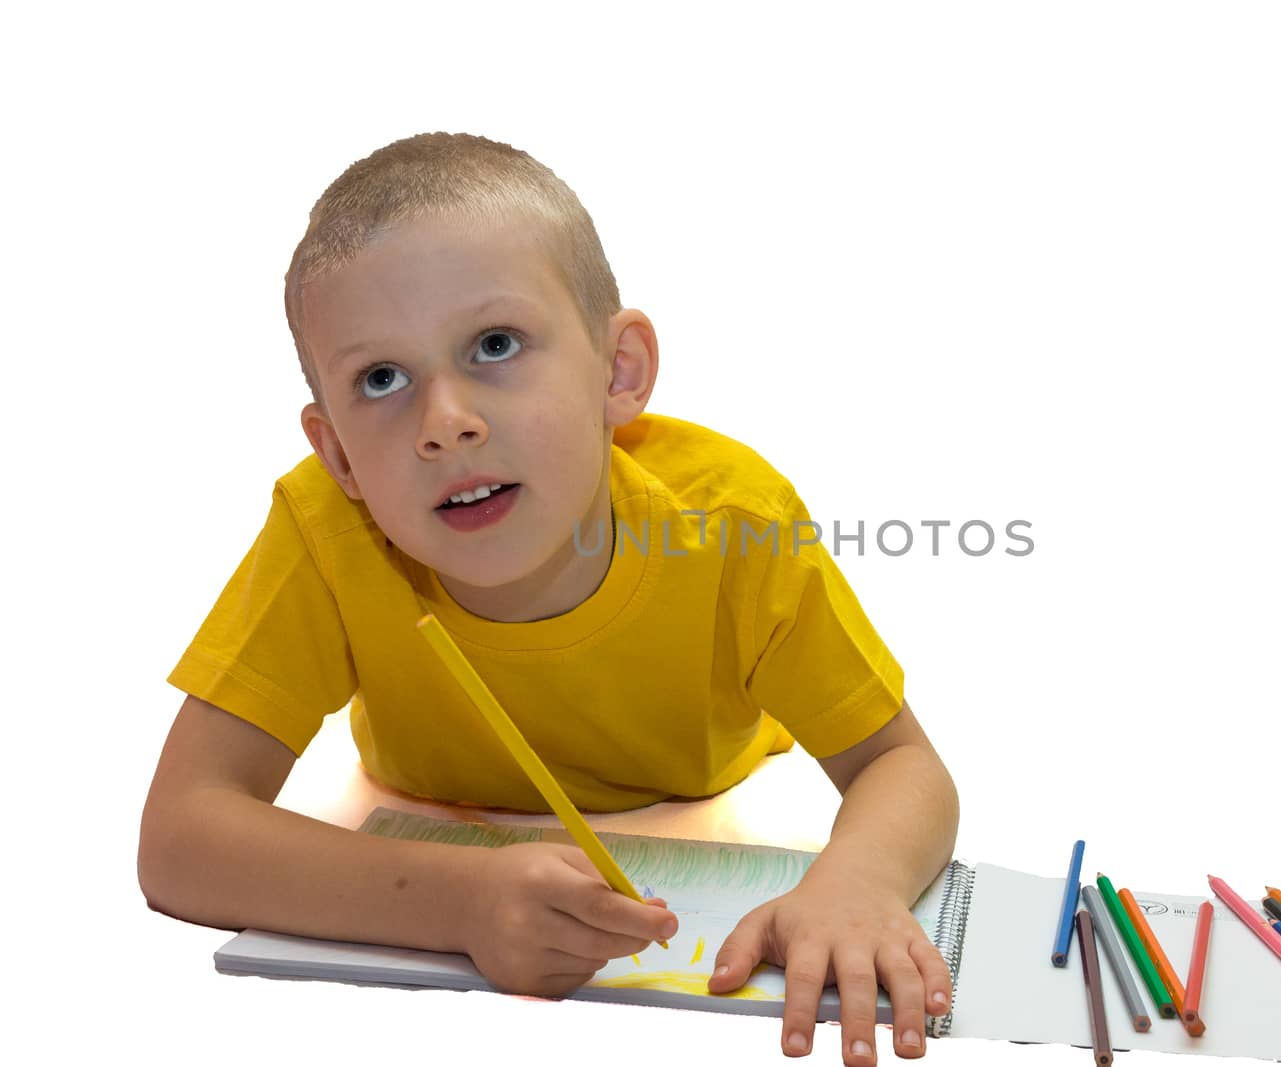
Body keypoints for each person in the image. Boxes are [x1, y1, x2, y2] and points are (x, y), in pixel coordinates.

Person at [139, 132, 960, 1065]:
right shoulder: (326, 533)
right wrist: (461, 902)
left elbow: (903, 765)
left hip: (710, 799)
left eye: (494, 345)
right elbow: (178, 836)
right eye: (382, 379)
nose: (446, 424)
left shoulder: (731, 522)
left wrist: (857, 882)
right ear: (337, 454)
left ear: (619, 373)